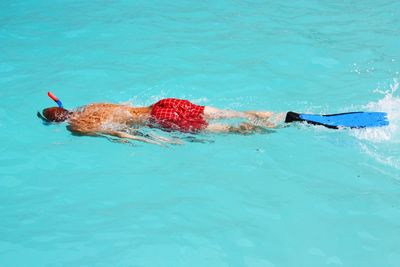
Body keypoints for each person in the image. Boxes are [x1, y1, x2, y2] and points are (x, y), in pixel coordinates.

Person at [40, 98, 281, 146]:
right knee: (221, 113)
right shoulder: (91, 106)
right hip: (161, 104)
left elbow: (117, 133)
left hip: (157, 119)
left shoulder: (77, 126)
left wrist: (156, 141)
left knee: (223, 130)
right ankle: (261, 114)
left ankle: (262, 129)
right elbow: (123, 108)